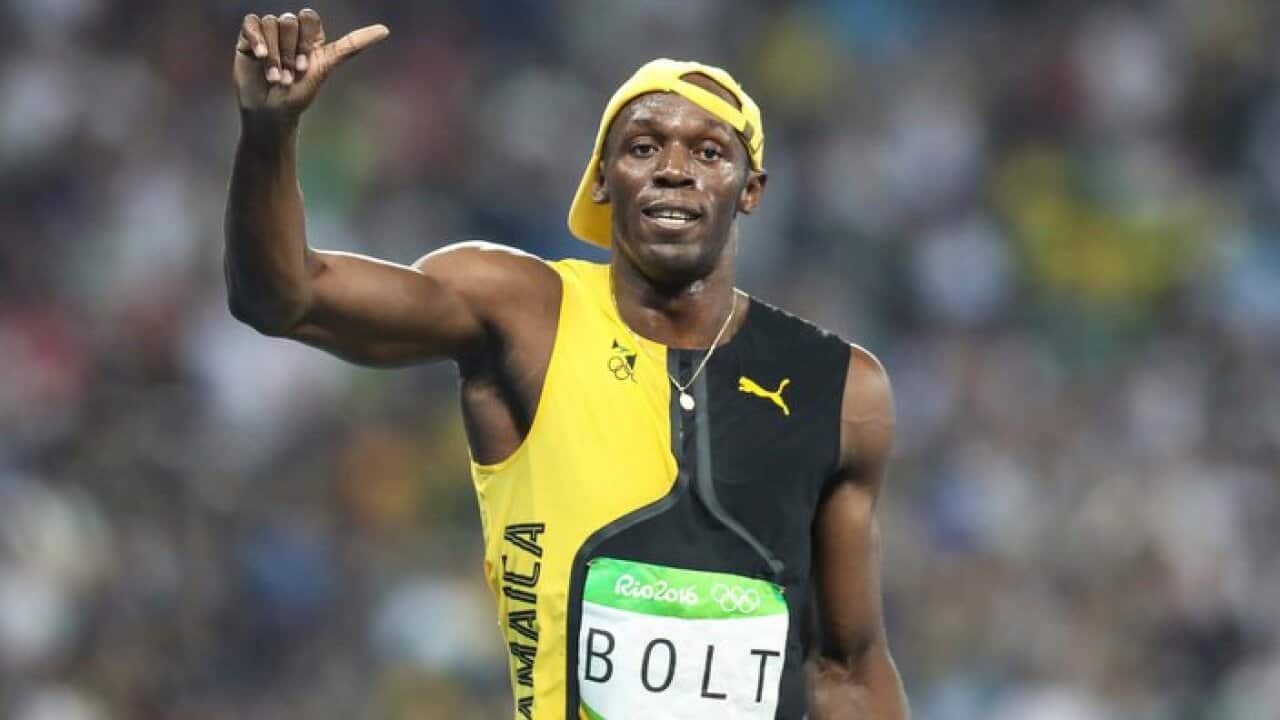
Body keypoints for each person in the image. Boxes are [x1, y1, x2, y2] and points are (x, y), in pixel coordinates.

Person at [225, 9, 908, 720]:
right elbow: (285, 299)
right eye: (644, 147)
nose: (675, 168)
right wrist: (269, 134)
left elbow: (849, 670)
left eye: (709, 152)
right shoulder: (522, 312)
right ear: (604, 179)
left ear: (751, 190)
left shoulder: (840, 390)